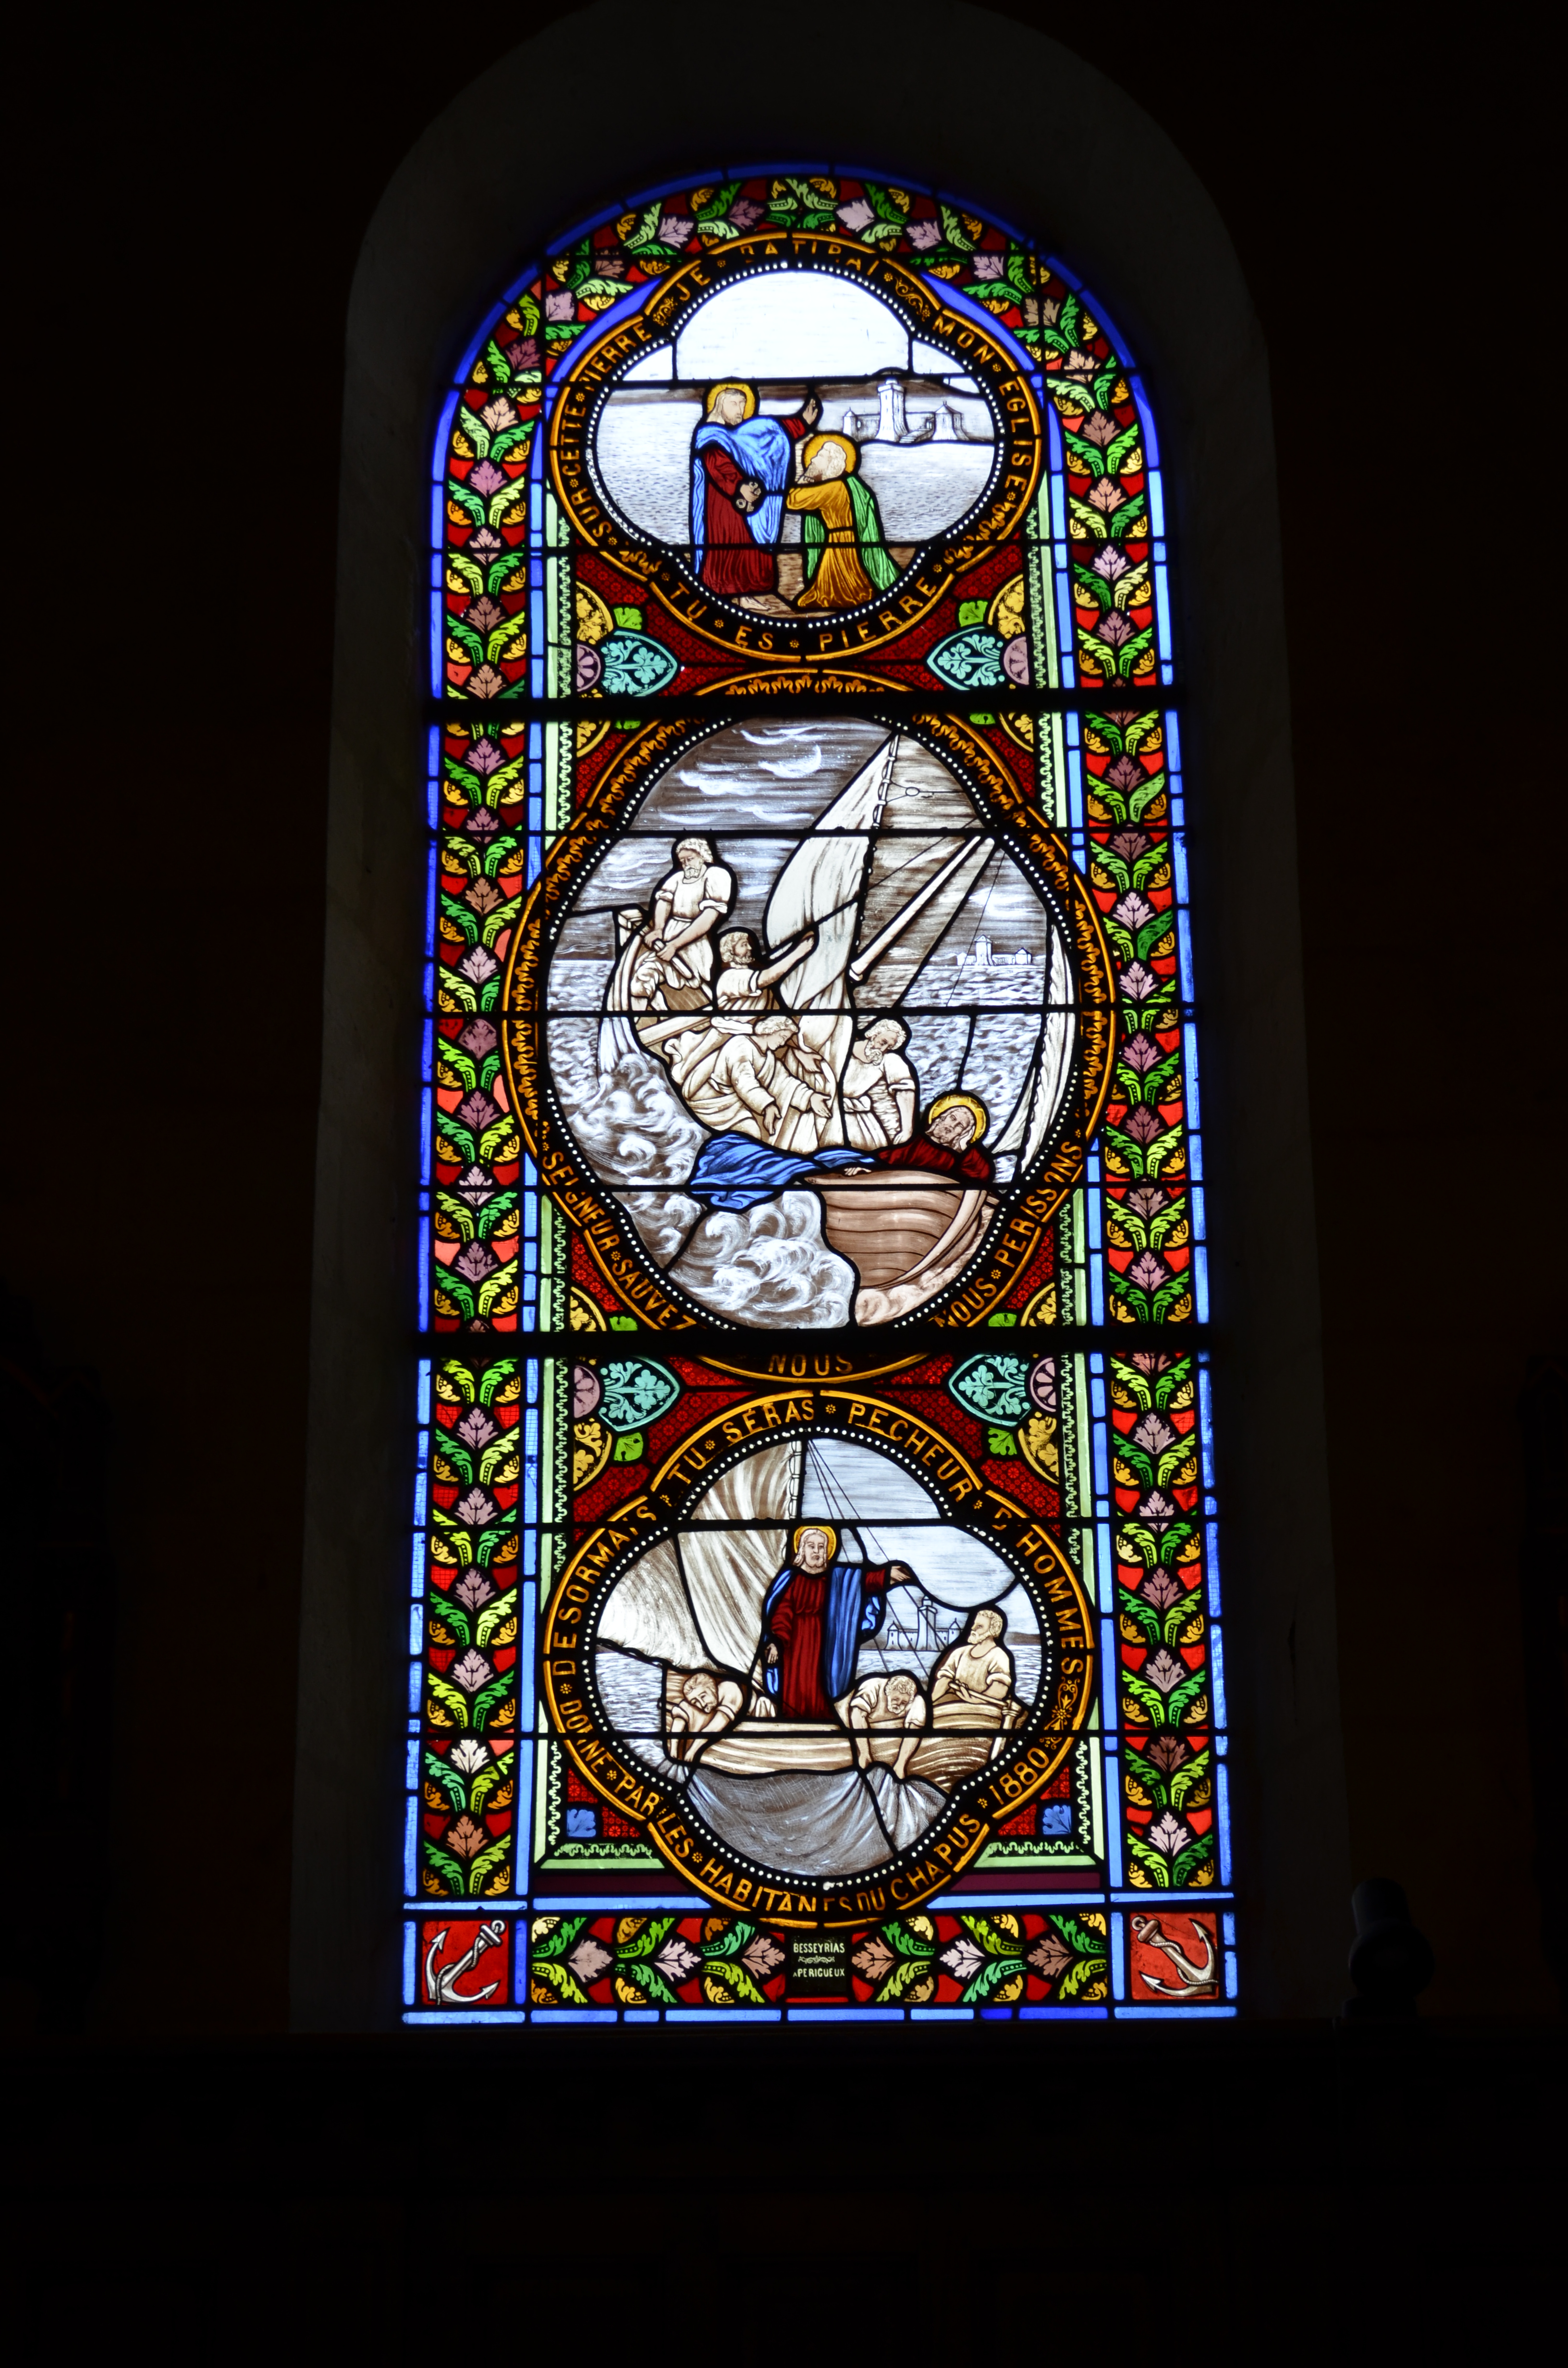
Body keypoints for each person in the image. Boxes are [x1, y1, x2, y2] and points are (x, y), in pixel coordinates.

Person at [761, 1524, 916, 1722]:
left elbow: (862, 1581)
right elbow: (782, 1614)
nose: (817, 1551)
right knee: (797, 1685)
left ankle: (826, 1723)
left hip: (830, 1642)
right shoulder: (791, 1580)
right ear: (802, 1550)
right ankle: (794, 1721)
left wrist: (886, 1575)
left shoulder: (837, 1579)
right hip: (796, 1644)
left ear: (828, 1551)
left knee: (824, 1684)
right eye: (811, 1546)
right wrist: (777, 1641)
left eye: (821, 1547)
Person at [691, 382, 821, 608]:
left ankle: (746, 596)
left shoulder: (740, 433)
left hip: (747, 503)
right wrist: (738, 486)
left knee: (749, 548)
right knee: (729, 546)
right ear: (720, 405)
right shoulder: (710, 435)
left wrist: (802, 423)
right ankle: (722, 596)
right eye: (734, 404)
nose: (740, 410)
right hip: (722, 505)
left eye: (743, 404)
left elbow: (771, 433)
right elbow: (717, 465)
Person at [677, 1014, 835, 1152]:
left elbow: (784, 1082)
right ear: (770, 1030)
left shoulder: (769, 1059)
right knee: (731, 1137)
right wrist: (767, 1106)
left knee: (752, 1135)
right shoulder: (741, 1044)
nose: (782, 1043)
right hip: (712, 1102)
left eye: (786, 1040)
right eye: (782, 1037)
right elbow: (743, 1081)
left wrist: (810, 1097)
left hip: (733, 1106)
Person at [784, 432, 900, 613]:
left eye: (820, 456)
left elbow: (792, 500)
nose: (813, 459)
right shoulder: (847, 484)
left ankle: (847, 598)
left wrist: (806, 478)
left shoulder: (832, 488)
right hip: (847, 538)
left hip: (839, 540)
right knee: (846, 577)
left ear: (831, 463)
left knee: (834, 585)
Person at [634, 837, 734, 1013]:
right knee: (643, 978)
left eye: (690, 859)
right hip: (668, 937)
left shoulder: (716, 875)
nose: (687, 864)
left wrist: (674, 945)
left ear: (702, 856)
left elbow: (708, 917)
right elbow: (664, 901)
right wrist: (659, 929)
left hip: (694, 942)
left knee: (691, 983)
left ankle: (672, 1015)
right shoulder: (678, 878)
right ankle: (657, 1015)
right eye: (683, 861)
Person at [930, 1607, 1022, 1758]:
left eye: (979, 1626)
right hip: (952, 1711)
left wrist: (973, 1700)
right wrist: (929, 1705)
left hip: (984, 1715)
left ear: (992, 1630)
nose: (973, 1629)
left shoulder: (999, 1656)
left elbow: (999, 1690)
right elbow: (944, 1681)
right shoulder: (960, 1653)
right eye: (974, 1624)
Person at [876, 1092, 994, 1183]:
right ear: (942, 1117)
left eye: (960, 1126)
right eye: (953, 1118)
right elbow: (885, 1159)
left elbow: (981, 1177)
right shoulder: (914, 1141)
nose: (952, 1126)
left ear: (964, 1134)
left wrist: (964, 1148)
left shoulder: (958, 1158)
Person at [840, 1016, 917, 1150]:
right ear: (874, 1034)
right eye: (883, 1042)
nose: (883, 1049)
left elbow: (905, 1091)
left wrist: (907, 1130)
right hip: (828, 1110)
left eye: (889, 1046)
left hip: (858, 1119)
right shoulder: (842, 1048)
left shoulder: (888, 1060)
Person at [843, 1670, 927, 1780]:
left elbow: (915, 1729)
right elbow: (857, 1715)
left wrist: (901, 1764)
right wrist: (864, 1753)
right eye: (896, 1699)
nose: (899, 1704)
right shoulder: (873, 1686)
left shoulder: (916, 1700)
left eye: (904, 1703)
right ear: (888, 1692)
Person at [665, 1668, 746, 1764]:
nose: (702, 1704)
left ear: (712, 1688)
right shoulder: (697, 1699)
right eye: (695, 1702)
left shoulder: (731, 1689)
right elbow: (680, 1718)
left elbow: (714, 1728)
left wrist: (692, 1752)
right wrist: (673, 1751)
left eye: (703, 1696)